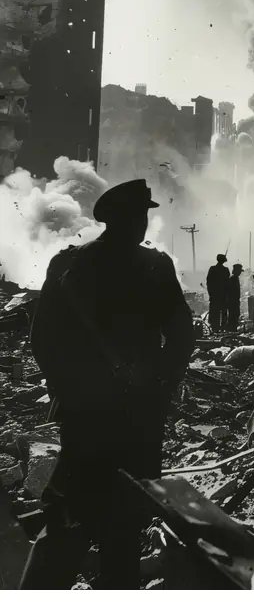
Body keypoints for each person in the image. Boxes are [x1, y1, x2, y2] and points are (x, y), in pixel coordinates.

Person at [21, 179, 194, 590]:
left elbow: (42, 339)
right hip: (138, 415)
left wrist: (68, 387)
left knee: (68, 511)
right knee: (124, 522)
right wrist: (161, 387)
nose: (143, 223)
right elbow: (182, 336)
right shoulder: (156, 266)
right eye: (140, 216)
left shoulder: (68, 266)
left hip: (85, 414)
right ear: (125, 220)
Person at [206, 253, 230, 332]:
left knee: (214, 312)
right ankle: (223, 328)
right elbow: (227, 283)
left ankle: (215, 328)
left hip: (214, 295)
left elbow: (208, 282)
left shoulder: (212, 269)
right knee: (223, 312)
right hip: (223, 295)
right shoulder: (225, 270)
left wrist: (210, 293)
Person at [226, 264, 243, 331]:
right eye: (239, 271)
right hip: (232, 300)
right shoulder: (233, 279)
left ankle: (232, 328)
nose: (240, 273)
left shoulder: (234, 278)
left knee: (234, 314)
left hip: (234, 300)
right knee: (233, 315)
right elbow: (231, 291)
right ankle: (231, 329)